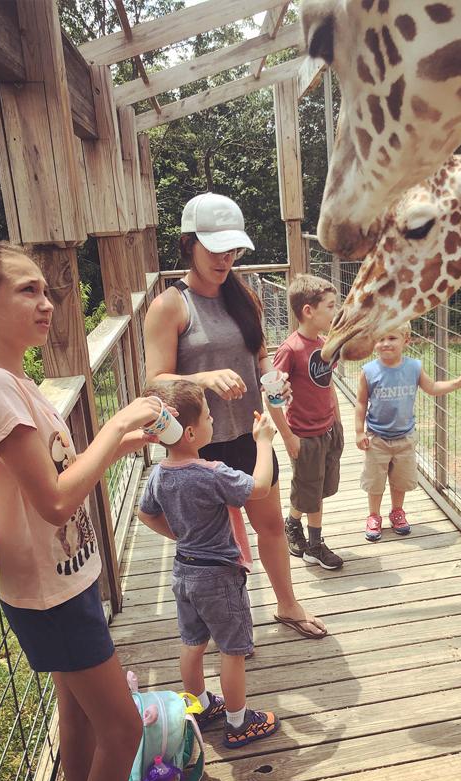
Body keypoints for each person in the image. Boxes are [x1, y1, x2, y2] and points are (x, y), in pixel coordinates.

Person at [0, 242, 175, 781]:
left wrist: (119, 441)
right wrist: (116, 426)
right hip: (49, 597)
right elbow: (53, 501)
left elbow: (57, 472)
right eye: (27, 291)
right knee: (123, 730)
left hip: (65, 580)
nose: (48, 303)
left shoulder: (11, 380)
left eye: (47, 291)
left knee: (80, 724)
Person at [141, 192, 329, 639]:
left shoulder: (245, 297)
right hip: (197, 444)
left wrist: (274, 382)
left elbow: (261, 359)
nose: (225, 258)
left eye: (233, 249)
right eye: (215, 247)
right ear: (189, 244)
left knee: (270, 528)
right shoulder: (170, 305)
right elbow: (154, 381)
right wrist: (204, 380)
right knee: (209, 542)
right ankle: (217, 624)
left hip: (248, 434)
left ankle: (287, 605)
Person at [135, 380, 281, 748]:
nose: (213, 419)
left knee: (192, 641)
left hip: (184, 570)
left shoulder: (160, 474)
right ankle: (237, 721)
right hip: (218, 576)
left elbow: (145, 514)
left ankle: (199, 704)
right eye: (208, 415)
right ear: (189, 431)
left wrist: (181, 536)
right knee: (232, 650)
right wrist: (262, 441)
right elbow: (260, 487)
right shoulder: (212, 473)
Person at [354, 325, 461, 541]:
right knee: (375, 481)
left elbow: (432, 388)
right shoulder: (369, 371)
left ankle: (397, 511)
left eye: (392, 337)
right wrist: (358, 432)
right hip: (377, 439)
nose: (385, 343)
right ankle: (374, 516)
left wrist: (458, 382)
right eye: (380, 338)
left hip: (405, 438)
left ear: (406, 340)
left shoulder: (413, 368)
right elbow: (361, 403)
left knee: (399, 480)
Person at [273, 275, 345, 570]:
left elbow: (327, 385)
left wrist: (337, 422)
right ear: (308, 311)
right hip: (304, 435)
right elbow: (273, 397)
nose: (335, 312)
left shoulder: (326, 344)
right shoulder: (290, 350)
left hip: (328, 430)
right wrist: (289, 437)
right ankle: (314, 545)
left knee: (315, 489)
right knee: (311, 491)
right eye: (330, 307)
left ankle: (292, 524)